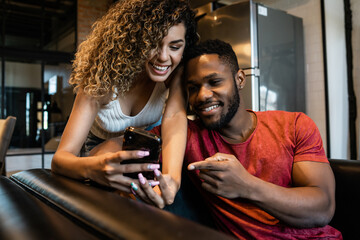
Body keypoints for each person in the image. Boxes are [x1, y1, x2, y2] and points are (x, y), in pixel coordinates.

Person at [136, 39, 342, 239]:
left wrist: (246, 186)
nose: (202, 96)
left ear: (240, 79)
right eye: (193, 88)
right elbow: (123, 145)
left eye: (214, 82)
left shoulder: (295, 125)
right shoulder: (186, 137)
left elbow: (322, 209)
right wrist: (102, 165)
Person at [51, 0, 198, 201]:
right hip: (100, 149)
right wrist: (94, 169)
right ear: (135, 40)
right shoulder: (101, 78)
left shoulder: (175, 73)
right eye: (153, 44)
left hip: (148, 147)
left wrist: (172, 180)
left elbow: (174, 116)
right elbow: (61, 159)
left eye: (174, 47)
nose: (164, 57)